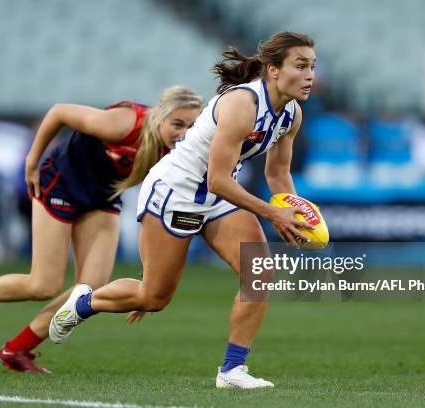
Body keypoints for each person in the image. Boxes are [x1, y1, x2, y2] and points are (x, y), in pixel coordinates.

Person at [49, 31, 316, 389]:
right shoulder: (243, 105)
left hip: (218, 196)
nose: (310, 74)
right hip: (177, 194)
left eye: (312, 66)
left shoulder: (291, 115)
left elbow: (278, 174)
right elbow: (218, 179)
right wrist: (271, 213)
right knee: (153, 297)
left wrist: (293, 214)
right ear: (273, 69)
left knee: (259, 273)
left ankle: (232, 371)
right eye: (300, 66)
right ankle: (84, 303)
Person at [0, 86, 203, 372]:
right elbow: (59, 111)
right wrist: (32, 160)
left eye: (191, 126)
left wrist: (148, 285)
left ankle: (18, 348)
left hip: (102, 197)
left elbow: (155, 219)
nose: (184, 133)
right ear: (159, 117)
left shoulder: (182, 152)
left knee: (89, 290)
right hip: (61, 184)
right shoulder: (124, 123)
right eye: (177, 124)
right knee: (43, 285)